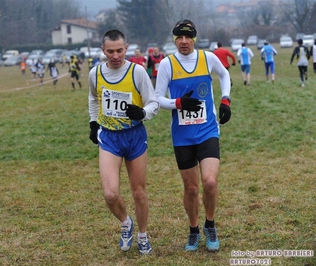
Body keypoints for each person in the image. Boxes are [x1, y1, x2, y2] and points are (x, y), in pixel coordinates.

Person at [155, 19, 231, 252]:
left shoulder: (207, 58)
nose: (183, 41)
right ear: (174, 39)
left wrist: (225, 99)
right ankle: (193, 230)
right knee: (191, 189)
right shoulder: (167, 64)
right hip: (182, 135)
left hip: (207, 130)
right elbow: (157, 98)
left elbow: (224, 75)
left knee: (209, 182)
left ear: (194, 38)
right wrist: (178, 103)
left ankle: (210, 225)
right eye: (179, 37)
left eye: (188, 37)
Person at [88, 29, 159, 255]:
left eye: (119, 50)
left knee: (139, 192)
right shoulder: (95, 73)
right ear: (103, 50)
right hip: (109, 137)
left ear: (126, 48)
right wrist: (93, 122)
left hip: (135, 136)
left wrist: (142, 113)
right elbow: (93, 97)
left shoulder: (137, 72)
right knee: (110, 193)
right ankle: (126, 223)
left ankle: (143, 235)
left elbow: (153, 103)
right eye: (110, 51)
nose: (115, 55)